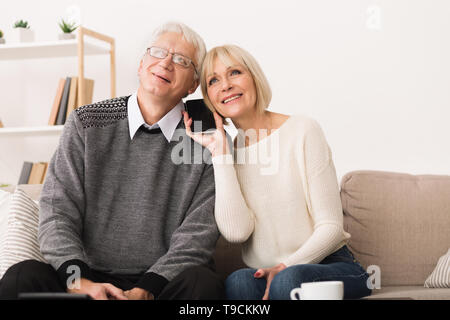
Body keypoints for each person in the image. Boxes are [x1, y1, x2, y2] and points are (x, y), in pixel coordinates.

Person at [0, 22, 224, 300]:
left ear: (193, 84)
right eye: (158, 52)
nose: (166, 63)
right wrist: (78, 281)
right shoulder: (86, 122)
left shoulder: (206, 136)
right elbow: (57, 211)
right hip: (87, 277)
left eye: (181, 60)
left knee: (202, 284)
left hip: (162, 283)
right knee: (21, 277)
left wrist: (148, 289)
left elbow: (199, 233)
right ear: (142, 64)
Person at [183, 44, 372, 300]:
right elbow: (237, 232)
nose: (225, 85)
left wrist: (286, 266)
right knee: (238, 282)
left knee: (288, 280)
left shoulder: (303, 130)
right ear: (209, 98)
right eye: (214, 80)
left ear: (254, 78)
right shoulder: (228, 152)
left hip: (329, 265)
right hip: (268, 271)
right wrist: (220, 154)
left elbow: (331, 227)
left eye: (235, 72)